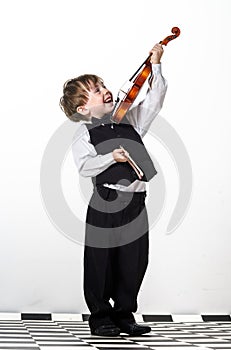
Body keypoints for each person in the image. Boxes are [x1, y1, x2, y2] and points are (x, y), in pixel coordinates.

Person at [60, 44, 167, 337]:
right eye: (96, 90)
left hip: (136, 201)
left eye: (104, 85)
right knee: (100, 259)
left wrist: (155, 66)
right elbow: (85, 167)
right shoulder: (85, 133)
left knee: (134, 258)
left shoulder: (130, 119)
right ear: (83, 108)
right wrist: (111, 157)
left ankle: (124, 314)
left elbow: (154, 100)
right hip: (106, 200)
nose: (106, 90)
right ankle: (100, 317)